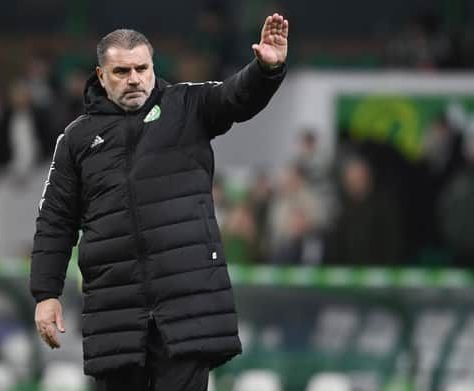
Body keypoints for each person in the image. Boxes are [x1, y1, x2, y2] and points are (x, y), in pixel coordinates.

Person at [30, 13, 289, 391]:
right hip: (115, 312)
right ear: (101, 76)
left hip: (186, 306)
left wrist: (265, 68)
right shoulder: (76, 141)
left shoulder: (187, 105)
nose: (134, 78)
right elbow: (55, 221)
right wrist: (46, 294)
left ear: (153, 67)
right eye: (121, 71)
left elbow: (235, 96)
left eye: (142, 68)